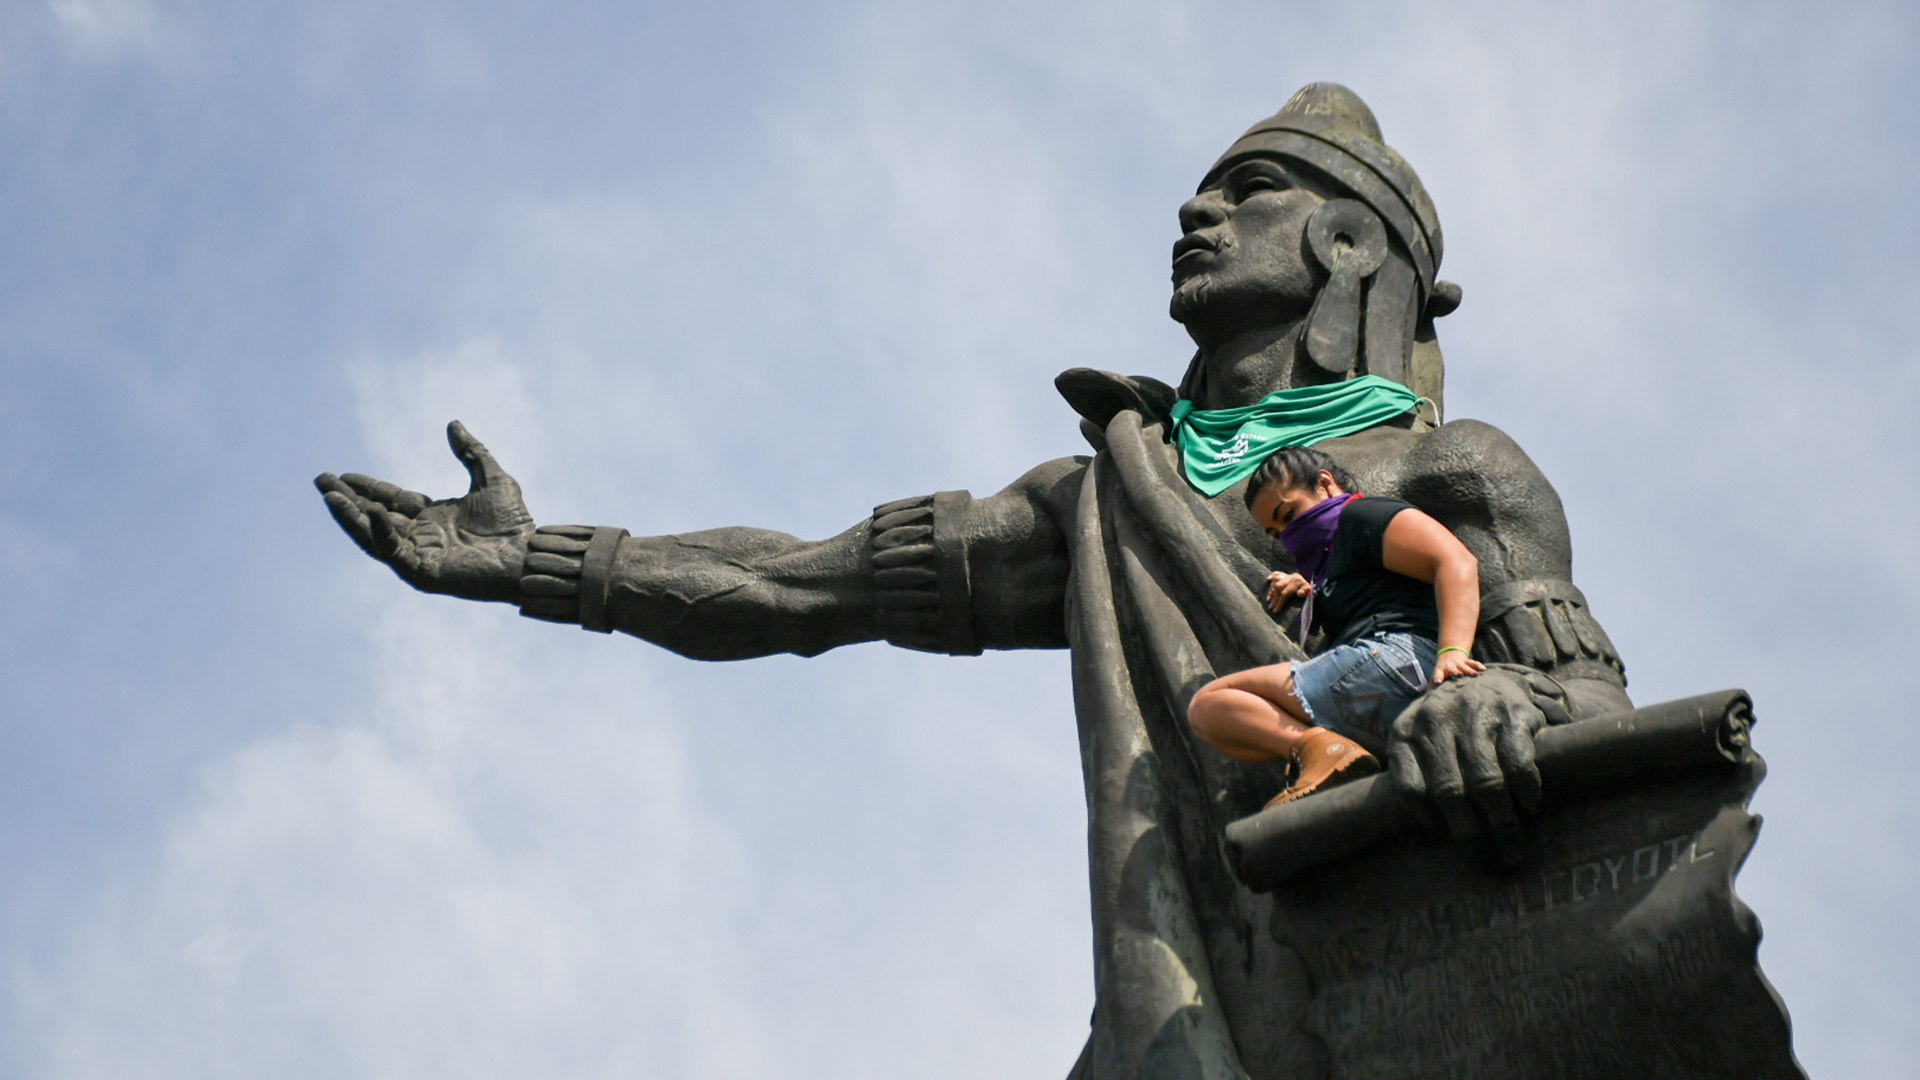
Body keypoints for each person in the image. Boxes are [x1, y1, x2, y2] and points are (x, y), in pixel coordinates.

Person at [315, 84, 1633, 1078]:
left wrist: (1493, 706)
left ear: (1350, 241)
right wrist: (542, 561)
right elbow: (803, 586)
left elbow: (1587, 703)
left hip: (1406, 972)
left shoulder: (1456, 470)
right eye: (1207, 194)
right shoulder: (1114, 488)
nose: (1199, 213)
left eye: (1253, 190)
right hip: (1179, 1009)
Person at [1187, 444, 1486, 806]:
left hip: (1400, 662)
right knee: (1219, 723)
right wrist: (1310, 584)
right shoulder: (1327, 561)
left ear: (1325, 484)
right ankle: (1333, 753)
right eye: (1276, 532)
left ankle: (1322, 750)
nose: (1288, 533)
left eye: (1288, 514)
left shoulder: (1363, 515)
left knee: (1211, 702)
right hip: (1386, 688)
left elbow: (1455, 560)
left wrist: (1453, 651)